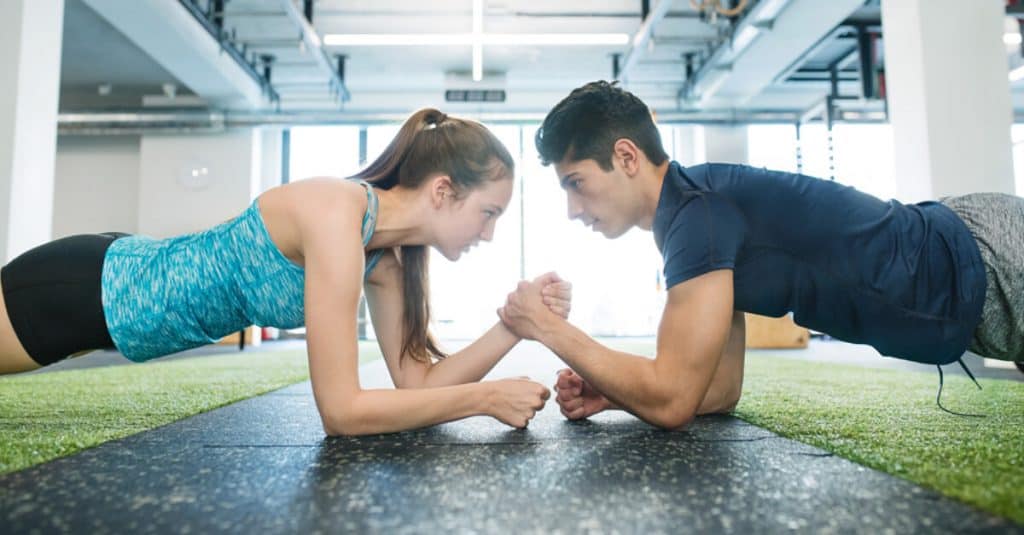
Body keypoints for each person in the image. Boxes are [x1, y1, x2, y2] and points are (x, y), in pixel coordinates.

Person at [0, 108, 572, 435]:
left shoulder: (386, 261)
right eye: (488, 213)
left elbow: (416, 381)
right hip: (84, 289)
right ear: (444, 191)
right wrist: (484, 398)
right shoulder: (335, 213)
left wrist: (514, 325)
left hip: (110, 309)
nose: (490, 233)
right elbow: (342, 412)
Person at [497, 81, 1023, 429]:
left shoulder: (699, 218)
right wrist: (616, 393)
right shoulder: (691, 217)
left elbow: (673, 400)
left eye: (577, 183)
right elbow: (717, 391)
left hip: (990, 255)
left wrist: (545, 328)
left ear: (626, 157)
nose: (571, 209)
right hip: (970, 261)